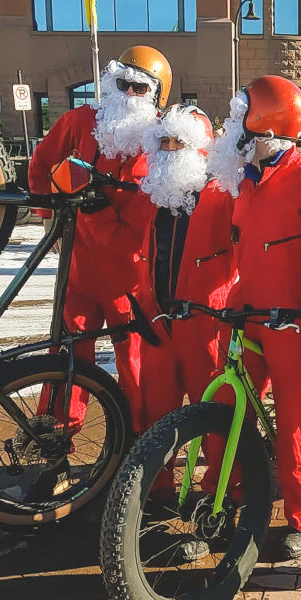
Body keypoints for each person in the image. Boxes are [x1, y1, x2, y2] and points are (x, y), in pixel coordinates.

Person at [207, 75, 301, 559]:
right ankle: (224, 495)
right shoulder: (244, 182)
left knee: (299, 418)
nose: (231, 131)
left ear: (266, 127)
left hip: (295, 322)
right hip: (249, 312)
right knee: (229, 404)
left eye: (240, 120)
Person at [26, 45, 168, 438]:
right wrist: (48, 215)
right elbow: (41, 164)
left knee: (137, 371)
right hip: (80, 267)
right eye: (122, 83)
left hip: (132, 278)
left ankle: (138, 451)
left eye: (140, 88)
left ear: (156, 94)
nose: (129, 93)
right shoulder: (79, 120)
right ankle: (54, 445)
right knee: (66, 364)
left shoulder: (161, 139)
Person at [133, 104, 236, 456]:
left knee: (214, 416)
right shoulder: (153, 194)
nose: (170, 149)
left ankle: (225, 491)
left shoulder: (223, 195)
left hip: (205, 324)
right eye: (164, 142)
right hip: (158, 321)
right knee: (156, 414)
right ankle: (152, 488)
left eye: (180, 142)